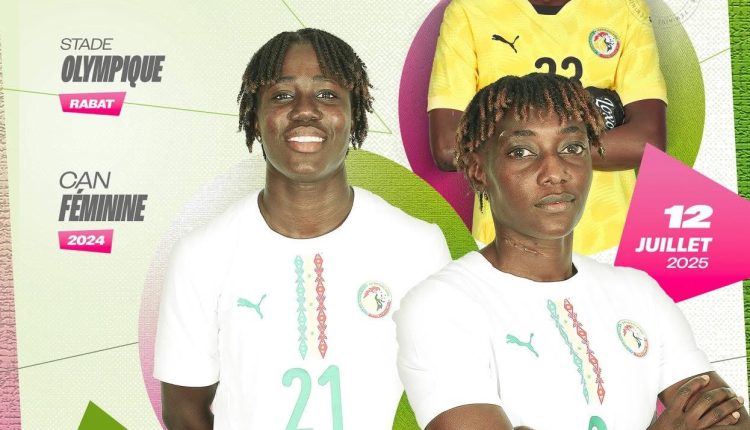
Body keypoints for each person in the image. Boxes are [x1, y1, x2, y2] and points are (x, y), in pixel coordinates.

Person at [396, 73, 747, 430]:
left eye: (572, 148)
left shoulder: (638, 292)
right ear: (477, 170)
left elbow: (728, 418)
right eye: (521, 152)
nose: (555, 172)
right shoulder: (441, 304)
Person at [153, 28, 451, 429]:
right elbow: (183, 412)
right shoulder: (201, 256)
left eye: (327, 94)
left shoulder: (417, 247)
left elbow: (448, 397)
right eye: (281, 95)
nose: (305, 109)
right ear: (255, 118)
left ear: (354, 115)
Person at [427, 0, 667, 255]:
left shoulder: (624, 9)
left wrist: (522, 149)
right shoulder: (470, 10)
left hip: (609, 241)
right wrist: (575, 141)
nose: (553, 173)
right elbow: (449, 147)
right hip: (507, 246)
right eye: (520, 150)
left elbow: (646, 141)